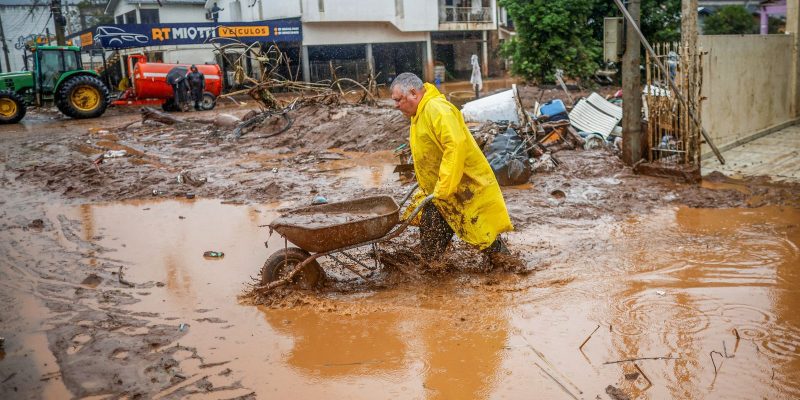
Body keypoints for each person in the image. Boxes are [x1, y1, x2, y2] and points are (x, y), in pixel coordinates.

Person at [390, 72, 518, 269]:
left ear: (413, 93)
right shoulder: (420, 113)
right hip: (440, 193)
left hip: (462, 188)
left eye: (398, 100)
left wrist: (444, 186)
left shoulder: (437, 109)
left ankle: (512, 270)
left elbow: (455, 146)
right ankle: (436, 280)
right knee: (431, 252)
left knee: (484, 235)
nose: (396, 105)